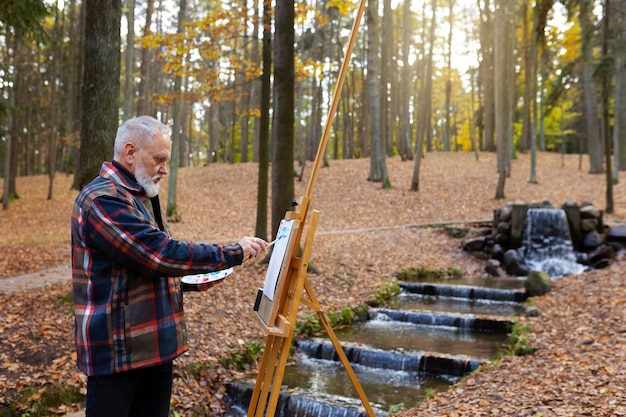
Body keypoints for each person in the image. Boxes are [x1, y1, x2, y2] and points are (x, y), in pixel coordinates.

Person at [70, 115, 268, 417]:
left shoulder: (141, 194)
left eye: (167, 160)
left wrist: (191, 281)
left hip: (155, 349)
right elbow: (158, 254)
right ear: (130, 152)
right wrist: (232, 252)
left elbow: (144, 267)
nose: (164, 169)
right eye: (159, 159)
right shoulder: (102, 199)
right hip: (118, 352)